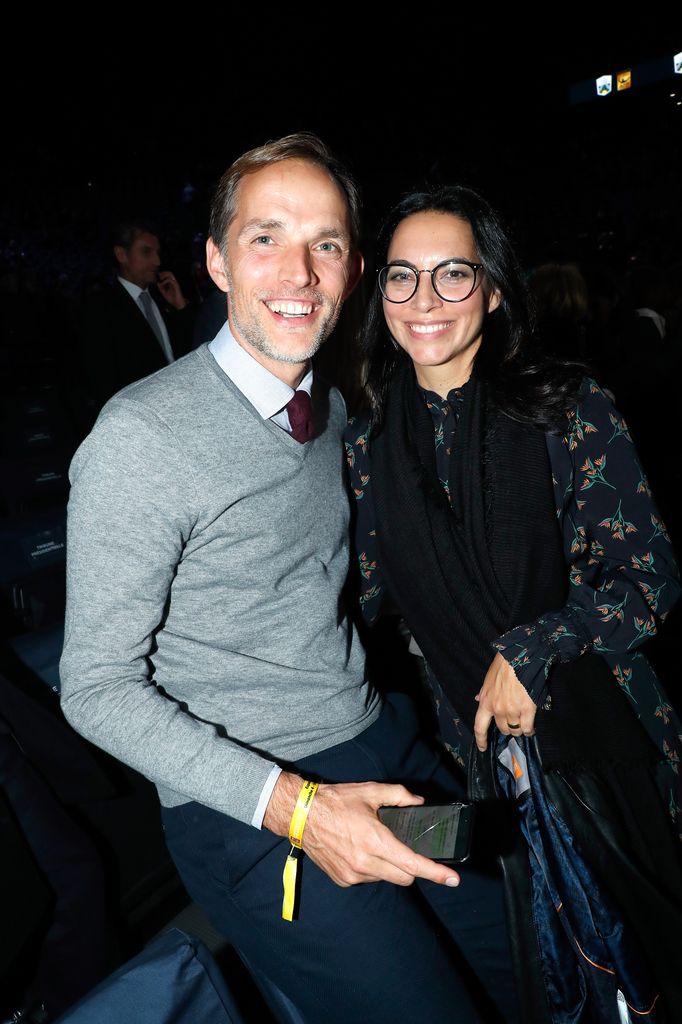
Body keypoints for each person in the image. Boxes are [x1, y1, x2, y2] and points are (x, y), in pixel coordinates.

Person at [60, 137, 519, 1024]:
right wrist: (299, 810)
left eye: (328, 243)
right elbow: (95, 690)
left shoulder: (333, 405)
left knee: (529, 960)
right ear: (215, 261)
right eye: (266, 237)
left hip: (382, 748)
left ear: (352, 272)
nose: (300, 272)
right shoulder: (141, 438)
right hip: (253, 803)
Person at [345, 184, 682, 1021]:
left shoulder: (568, 406)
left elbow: (653, 584)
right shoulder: (366, 445)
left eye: (453, 274)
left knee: (653, 960)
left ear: (493, 290)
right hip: (486, 770)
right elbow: (375, 606)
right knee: (563, 981)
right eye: (402, 277)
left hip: (608, 746)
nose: (425, 301)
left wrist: (531, 651)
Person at [80, 220, 194, 408]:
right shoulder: (100, 309)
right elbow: (103, 380)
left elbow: (192, 349)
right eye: (146, 252)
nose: (157, 261)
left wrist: (181, 307)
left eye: (157, 253)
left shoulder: (164, 296)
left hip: (183, 403)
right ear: (121, 254)